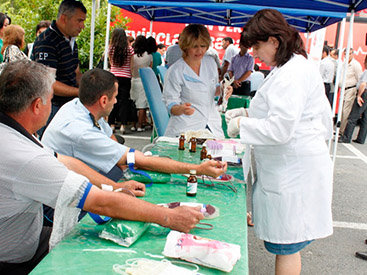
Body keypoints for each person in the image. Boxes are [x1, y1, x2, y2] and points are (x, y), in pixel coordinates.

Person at [0, 60, 206, 274]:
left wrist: (115, 187)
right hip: (15, 258)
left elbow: (64, 160)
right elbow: (99, 202)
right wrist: (168, 216)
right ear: (36, 106)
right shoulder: (26, 156)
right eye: (50, 100)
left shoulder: (16, 131)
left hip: (23, 235)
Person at [225, 9, 333, 275]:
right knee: (286, 244)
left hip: (294, 172)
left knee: (288, 245)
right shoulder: (286, 67)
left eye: (257, 47)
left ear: (274, 41)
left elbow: (281, 127)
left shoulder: (293, 72)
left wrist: (242, 124)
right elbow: (275, 111)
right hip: (289, 167)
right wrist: (247, 113)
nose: (255, 54)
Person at [42, 68, 227, 183]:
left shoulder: (77, 106)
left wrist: (127, 167)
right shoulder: (80, 131)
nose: (116, 102)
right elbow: (138, 159)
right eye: (115, 97)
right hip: (60, 200)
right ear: (104, 100)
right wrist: (197, 169)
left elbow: (112, 139)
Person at [162, 24, 232, 138]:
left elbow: (212, 89)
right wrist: (181, 109)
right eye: (195, 46)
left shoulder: (210, 63)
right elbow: (170, 103)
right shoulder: (175, 71)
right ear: (185, 46)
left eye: (203, 46)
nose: (200, 50)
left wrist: (224, 89)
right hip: (186, 126)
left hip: (211, 123)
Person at [32, 0, 87, 136]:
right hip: (51, 108)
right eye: (79, 21)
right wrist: (81, 92)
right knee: (50, 148)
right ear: (64, 18)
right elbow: (48, 84)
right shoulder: (47, 41)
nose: (83, 26)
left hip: (67, 106)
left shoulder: (70, 40)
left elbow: (76, 72)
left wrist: (90, 87)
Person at [108, 28, 136, 134]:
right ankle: (123, 125)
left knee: (113, 100)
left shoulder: (111, 48)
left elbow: (111, 63)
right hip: (126, 77)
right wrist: (130, 75)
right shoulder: (129, 49)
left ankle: (112, 124)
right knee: (124, 102)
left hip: (114, 76)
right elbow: (131, 65)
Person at [339, 55, 367, 144]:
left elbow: (363, 84)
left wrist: (359, 95)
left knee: (353, 116)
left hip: (364, 93)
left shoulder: (366, 71)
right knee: (365, 118)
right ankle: (361, 138)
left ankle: (346, 137)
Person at [130, 35, 152, 132]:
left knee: (133, 103)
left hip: (134, 80)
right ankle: (140, 125)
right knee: (142, 104)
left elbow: (130, 69)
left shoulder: (133, 57)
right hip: (144, 81)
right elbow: (150, 70)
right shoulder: (149, 56)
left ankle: (133, 124)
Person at [338, 48, 363, 135]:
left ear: (352, 54)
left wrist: (357, 92)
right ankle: (340, 129)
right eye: (345, 54)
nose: (346, 55)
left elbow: (359, 79)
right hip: (343, 89)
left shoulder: (355, 65)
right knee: (341, 110)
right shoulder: (344, 63)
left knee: (346, 111)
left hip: (351, 89)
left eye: (349, 54)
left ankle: (343, 131)